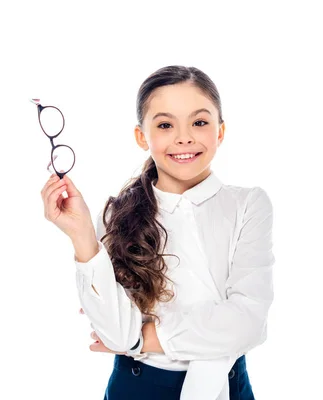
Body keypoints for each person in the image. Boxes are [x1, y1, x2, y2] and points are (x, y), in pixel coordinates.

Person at [40, 65, 274, 400]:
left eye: (200, 122)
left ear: (220, 132)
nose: (184, 137)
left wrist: (142, 338)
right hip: (137, 387)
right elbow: (113, 331)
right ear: (141, 136)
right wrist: (81, 238)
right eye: (165, 124)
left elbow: (248, 322)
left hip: (228, 385)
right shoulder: (117, 215)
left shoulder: (248, 205)